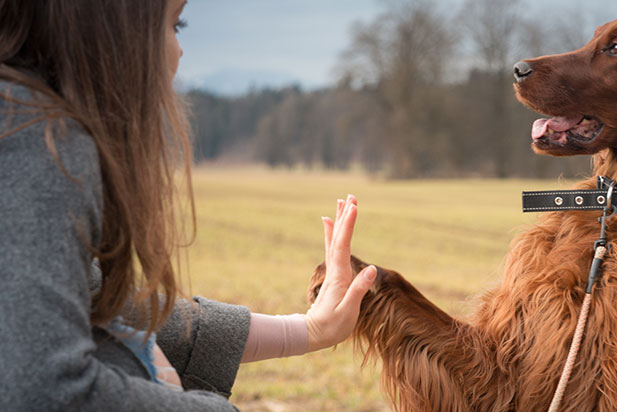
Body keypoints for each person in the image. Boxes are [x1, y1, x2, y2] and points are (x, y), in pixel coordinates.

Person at [0, 0, 376, 410]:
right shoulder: (39, 145)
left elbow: (105, 308)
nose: (179, 52)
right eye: (173, 24)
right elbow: (43, 390)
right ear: (109, 27)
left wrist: (306, 330)